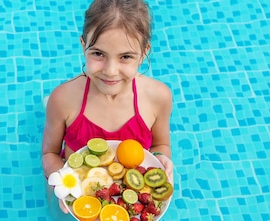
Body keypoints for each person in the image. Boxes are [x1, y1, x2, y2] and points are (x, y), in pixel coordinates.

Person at [41, 0, 174, 216]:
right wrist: (67, 187)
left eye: (126, 57)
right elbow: (49, 153)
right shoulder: (63, 99)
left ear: (144, 52)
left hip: (128, 191)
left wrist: (162, 158)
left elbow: (160, 144)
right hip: (79, 184)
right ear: (84, 46)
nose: (111, 72)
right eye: (98, 54)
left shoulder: (158, 97)